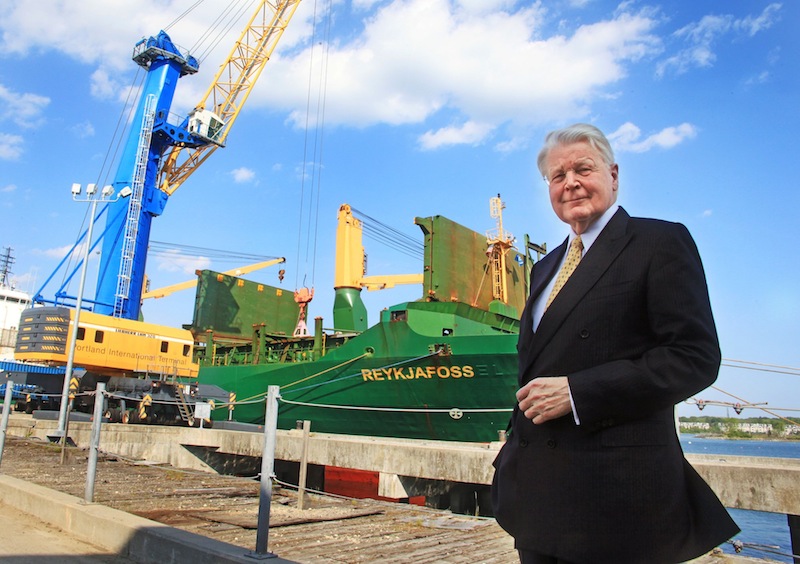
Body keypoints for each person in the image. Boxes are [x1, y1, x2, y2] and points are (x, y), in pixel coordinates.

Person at [491, 123, 739, 563]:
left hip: (617, 499)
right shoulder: (544, 267)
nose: (570, 183)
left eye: (582, 169)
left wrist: (578, 392)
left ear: (614, 175)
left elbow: (694, 357)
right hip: (539, 501)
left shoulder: (659, 242)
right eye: (557, 176)